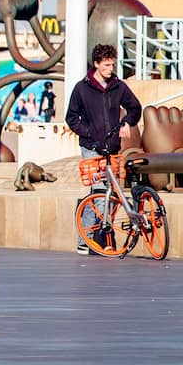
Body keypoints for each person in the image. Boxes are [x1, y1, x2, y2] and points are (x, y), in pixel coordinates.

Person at [65, 43, 143, 255]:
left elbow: (135, 107)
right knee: (100, 192)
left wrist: (127, 122)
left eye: (112, 64)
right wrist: (89, 132)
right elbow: (71, 118)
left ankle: (86, 239)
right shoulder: (82, 88)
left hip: (112, 148)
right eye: (107, 65)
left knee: (104, 193)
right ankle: (99, 238)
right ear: (97, 64)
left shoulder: (119, 86)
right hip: (91, 147)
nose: (111, 68)